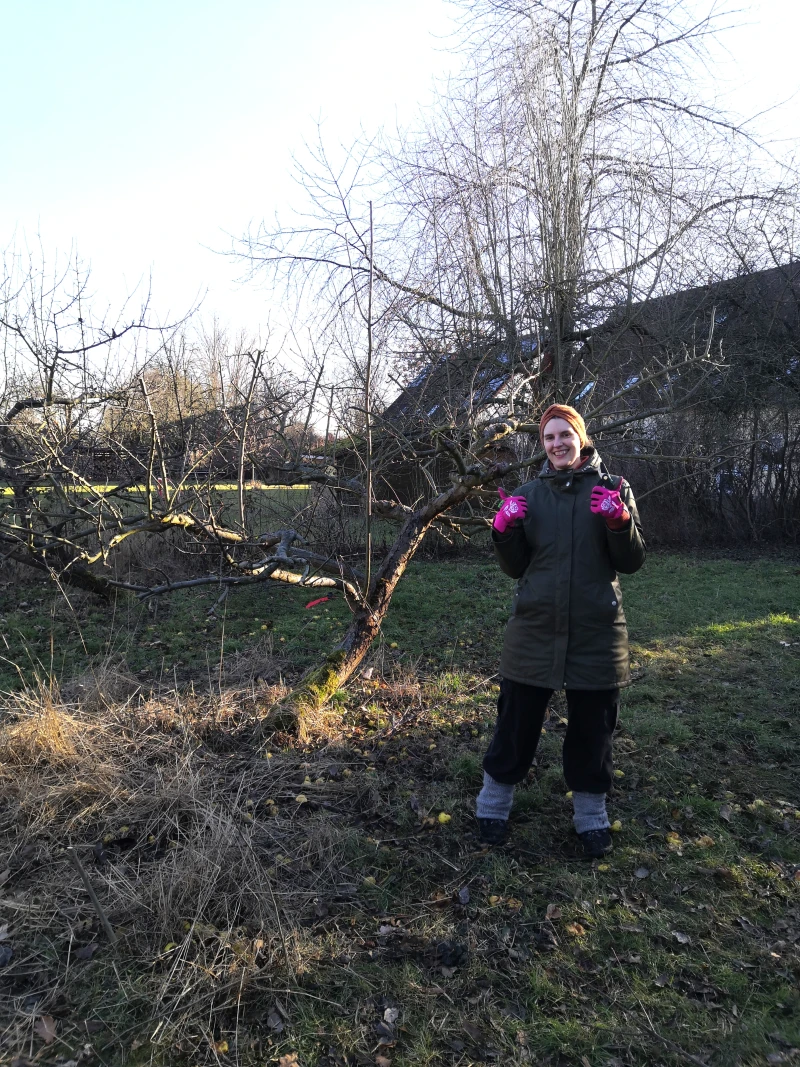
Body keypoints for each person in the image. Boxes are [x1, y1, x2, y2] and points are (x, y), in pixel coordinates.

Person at [476, 403, 646, 858]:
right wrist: (503, 530)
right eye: (549, 437)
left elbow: (631, 561)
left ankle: (591, 816)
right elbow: (515, 568)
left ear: (581, 438)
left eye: (565, 435)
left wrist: (619, 522)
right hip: (535, 627)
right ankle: (493, 805)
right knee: (516, 722)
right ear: (542, 444)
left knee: (593, 729)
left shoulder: (614, 488)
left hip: (596, 630)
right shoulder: (528, 495)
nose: (557, 444)